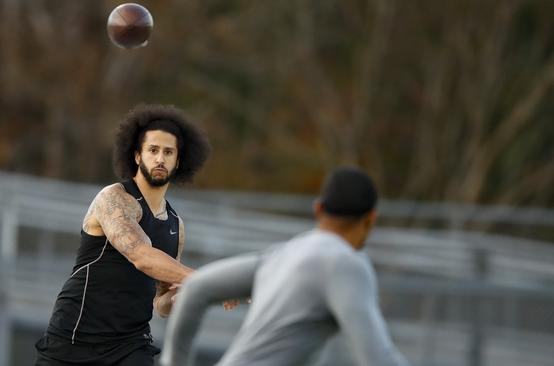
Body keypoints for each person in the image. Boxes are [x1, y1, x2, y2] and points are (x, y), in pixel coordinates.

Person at [160, 167, 411, 366]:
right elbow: (377, 358)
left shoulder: (282, 254)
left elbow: (196, 288)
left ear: (319, 209)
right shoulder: (348, 264)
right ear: (371, 219)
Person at [35, 104, 211, 366]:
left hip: (130, 345)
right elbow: (142, 257)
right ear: (137, 156)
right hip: (74, 339)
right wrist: (206, 281)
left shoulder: (176, 225)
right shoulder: (114, 198)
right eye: (153, 150)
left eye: (168, 152)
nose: (160, 158)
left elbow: (160, 302)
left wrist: (177, 297)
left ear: (178, 162)